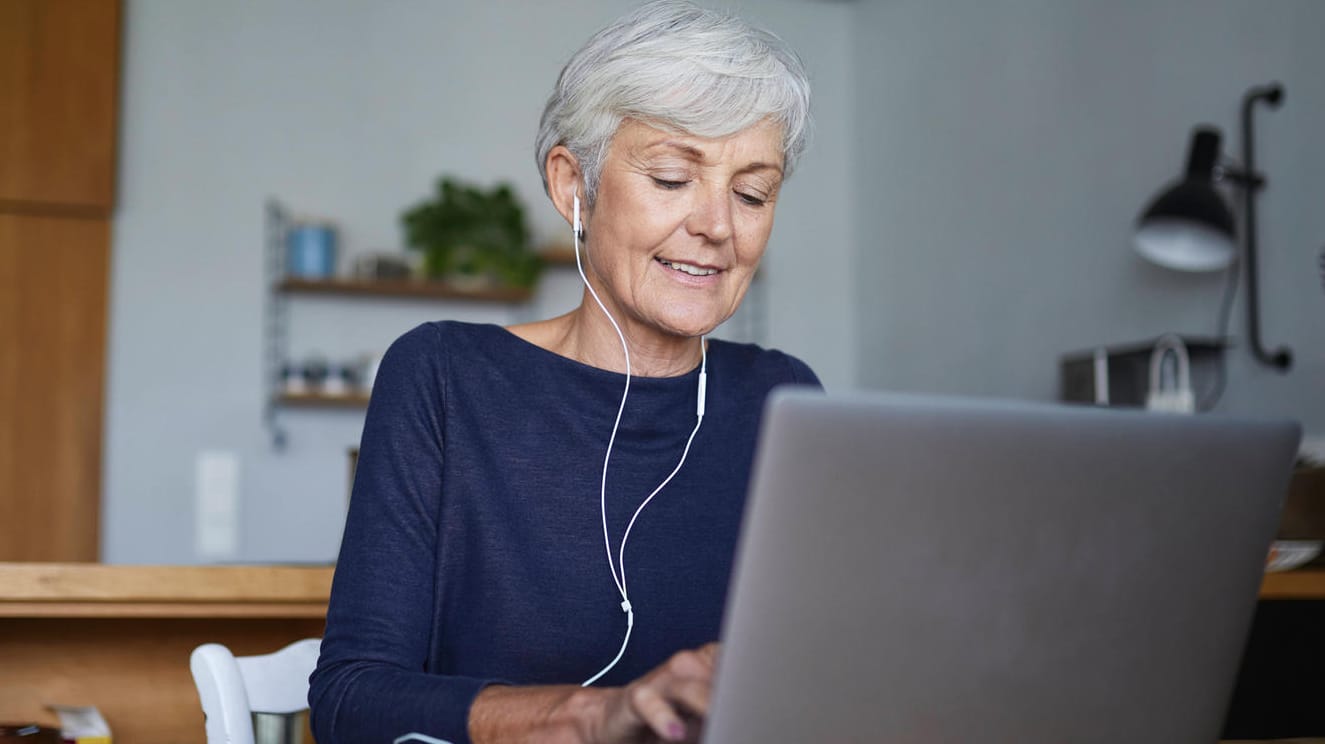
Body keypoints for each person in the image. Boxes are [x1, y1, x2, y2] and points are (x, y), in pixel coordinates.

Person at [308, 2, 818, 742]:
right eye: (673, 178)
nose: (716, 225)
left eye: (751, 193)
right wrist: (592, 714)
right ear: (571, 186)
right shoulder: (443, 377)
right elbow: (351, 702)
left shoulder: (782, 398)